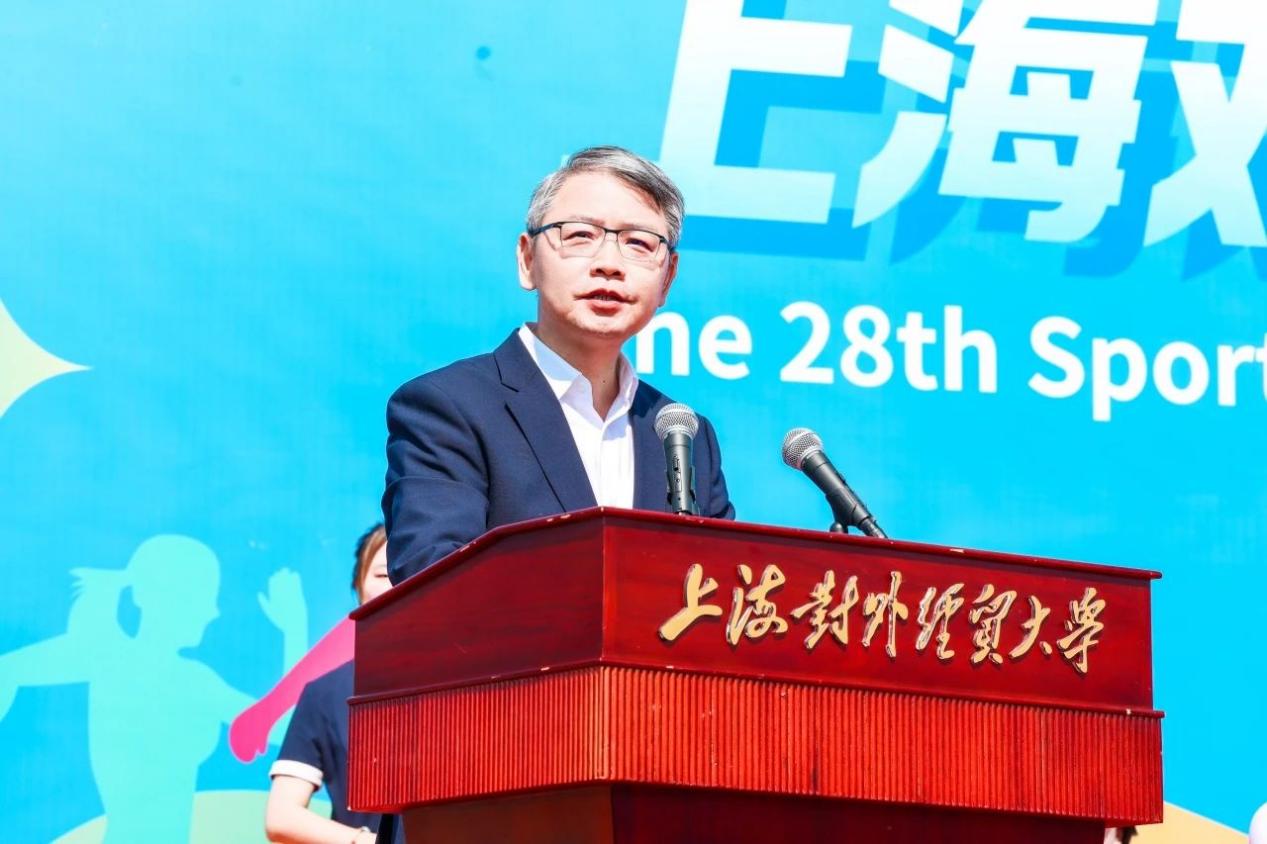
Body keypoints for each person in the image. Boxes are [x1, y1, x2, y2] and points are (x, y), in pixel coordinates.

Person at [383, 145, 734, 583]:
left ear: (668, 278)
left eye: (639, 243)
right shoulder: (451, 407)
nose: (609, 264)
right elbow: (434, 578)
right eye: (581, 235)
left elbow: (723, 592)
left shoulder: (682, 434)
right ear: (528, 259)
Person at [0, 535, 307, 843]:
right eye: (203, 596)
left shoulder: (108, 658)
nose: (213, 611)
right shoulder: (188, 681)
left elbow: (10, 669)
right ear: (163, 597)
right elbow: (286, 729)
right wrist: (295, 629)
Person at [265, 523, 393, 844]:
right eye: (382, 574)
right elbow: (281, 816)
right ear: (358, 587)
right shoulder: (326, 693)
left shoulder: (469, 679)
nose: (395, 583)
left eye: (407, 571)